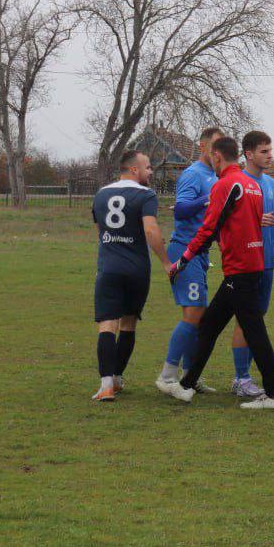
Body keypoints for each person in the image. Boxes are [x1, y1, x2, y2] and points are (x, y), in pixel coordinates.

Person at [159, 136, 274, 409]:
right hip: (248, 266)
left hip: (240, 269)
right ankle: (185, 385)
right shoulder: (252, 185)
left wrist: (183, 259)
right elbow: (242, 224)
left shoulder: (226, 184)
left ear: (217, 156)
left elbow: (208, 229)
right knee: (209, 327)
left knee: (254, 331)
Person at [90, 150, 172, 401]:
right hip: (136, 269)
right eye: (148, 168)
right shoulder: (146, 195)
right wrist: (166, 262)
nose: (151, 172)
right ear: (134, 170)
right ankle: (116, 378)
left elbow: (100, 231)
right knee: (127, 324)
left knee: (107, 325)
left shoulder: (101, 194)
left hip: (109, 268)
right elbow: (150, 229)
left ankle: (106, 385)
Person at [156, 126, 223, 393]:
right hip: (185, 250)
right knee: (193, 313)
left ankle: (188, 377)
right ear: (203, 146)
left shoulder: (215, 176)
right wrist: (208, 199)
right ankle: (167, 376)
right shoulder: (194, 174)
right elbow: (181, 210)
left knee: (198, 314)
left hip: (201, 254)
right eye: (214, 146)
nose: (217, 152)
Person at [226, 130, 274, 399]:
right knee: (245, 320)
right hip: (244, 264)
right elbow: (224, 224)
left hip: (268, 263)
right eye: (264, 151)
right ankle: (241, 378)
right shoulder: (236, 183)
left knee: (257, 320)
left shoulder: (272, 185)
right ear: (248, 154)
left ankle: (245, 377)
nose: (269, 155)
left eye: (270, 150)